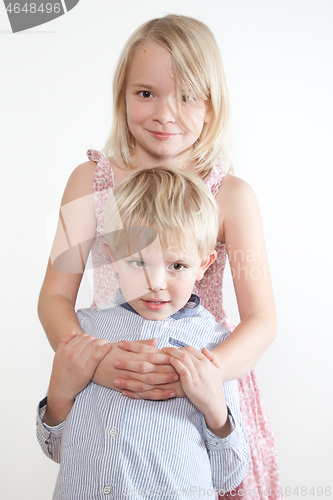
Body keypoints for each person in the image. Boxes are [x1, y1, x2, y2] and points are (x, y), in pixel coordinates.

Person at [38, 14, 280, 500]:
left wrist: (197, 374)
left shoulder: (231, 195)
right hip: (112, 382)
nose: (165, 113)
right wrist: (96, 363)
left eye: (188, 95)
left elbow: (261, 321)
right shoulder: (89, 183)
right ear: (122, 97)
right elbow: (55, 298)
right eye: (145, 93)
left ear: (213, 105)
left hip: (203, 385)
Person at [37, 167, 249, 499]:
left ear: (203, 265)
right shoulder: (85, 332)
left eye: (176, 265)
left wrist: (215, 410)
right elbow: (58, 451)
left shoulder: (214, 346)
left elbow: (228, 477)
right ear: (112, 255)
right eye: (138, 262)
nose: (156, 283)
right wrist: (59, 395)